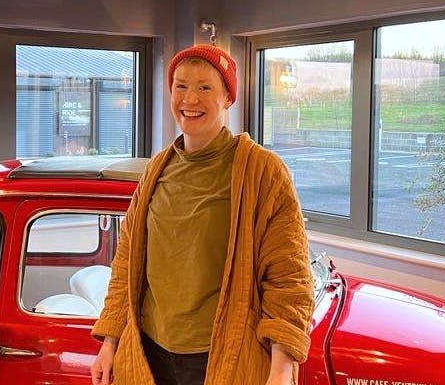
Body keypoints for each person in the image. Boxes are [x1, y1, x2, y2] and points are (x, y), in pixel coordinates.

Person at [90, 44, 315, 385]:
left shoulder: (262, 172)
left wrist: (282, 367)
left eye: (204, 87)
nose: (189, 99)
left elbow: (289, 277)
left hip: (222, 356)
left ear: (227, 98)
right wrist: (111, 342)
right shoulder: (156, 169)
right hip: (149, 353)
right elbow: (127, 264)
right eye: (181, 86)